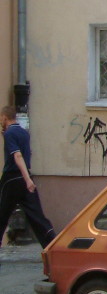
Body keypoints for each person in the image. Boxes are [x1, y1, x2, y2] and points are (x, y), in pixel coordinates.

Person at [0, 106, 57, 247]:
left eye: (0, 118)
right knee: (36, 215)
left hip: (12, 178)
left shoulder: (9, 134)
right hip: (26, 178)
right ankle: (52, 244)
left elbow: (17, 155)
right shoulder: (24, 133)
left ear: (5, 118)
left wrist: (26, 179)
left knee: (2, 214)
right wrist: (28, 179)